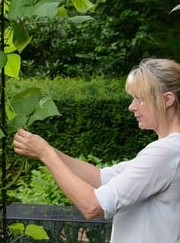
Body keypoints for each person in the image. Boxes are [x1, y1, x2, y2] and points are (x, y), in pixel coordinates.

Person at [13, 58, 180, 243]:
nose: (132, 106)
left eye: (140, 99)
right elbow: (99, 177)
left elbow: (93, 206)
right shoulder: (169, 150)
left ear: (167, 100)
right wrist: (44, 148)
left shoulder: (165, 153)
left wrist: (46, 154)